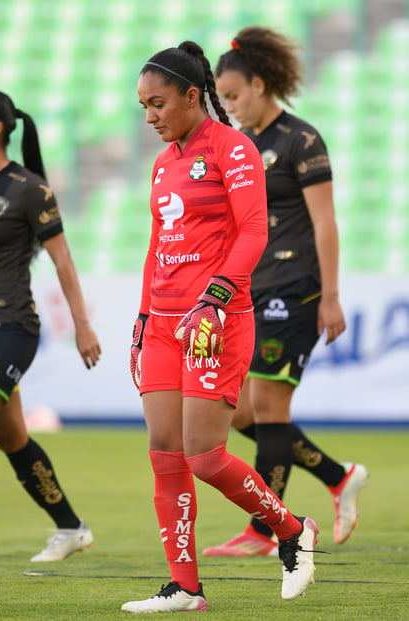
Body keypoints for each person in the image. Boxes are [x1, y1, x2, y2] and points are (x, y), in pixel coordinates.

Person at [122, 40, 320, 615]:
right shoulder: (163, 166)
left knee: (205, 456)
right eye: (143, 108)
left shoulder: (234, 150)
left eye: (159, 104)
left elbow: (253, 233)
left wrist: (213, 298)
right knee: (165, 452)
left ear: (192, 94)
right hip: (162, 324)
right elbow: (157, 247)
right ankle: (185, 588)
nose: (152, 117)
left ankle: (291, 529)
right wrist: (140, 322)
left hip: (215, 320)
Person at [202, 26, 368, 559]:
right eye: (221, 100)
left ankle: (265, 531)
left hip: (296, 290)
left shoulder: (302, 140)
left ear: (259, 83)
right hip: (254, 289)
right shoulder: (243, 146)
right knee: (241, 415)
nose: (228, 108)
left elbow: (325, 224)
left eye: (232, 97)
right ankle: (340, 478)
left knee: (270, 409)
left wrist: (332, 295)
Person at [0, 90, 101, 562]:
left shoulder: (28, 189)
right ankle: (71, 527)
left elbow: (62, 261)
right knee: (12, 438)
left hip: (11, 325)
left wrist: (83, 326)